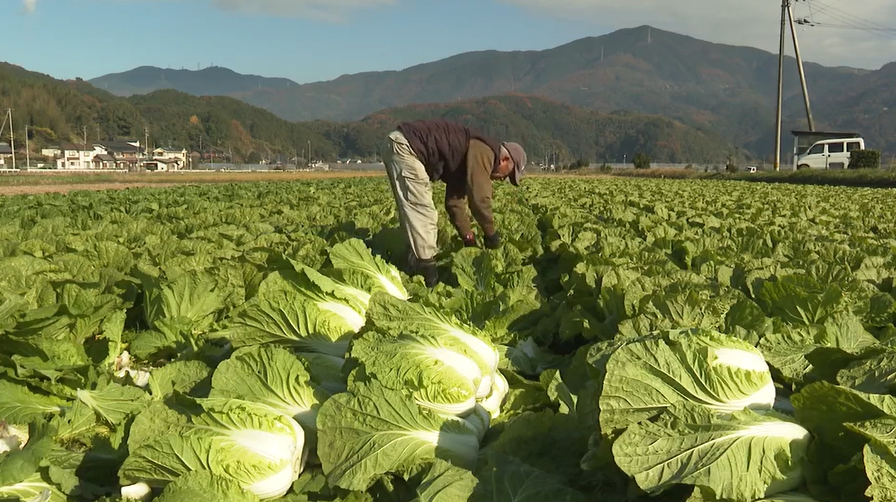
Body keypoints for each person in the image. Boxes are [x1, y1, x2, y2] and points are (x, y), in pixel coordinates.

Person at [381, 118, 527, 287]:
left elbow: (454, 202)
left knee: (412, 216)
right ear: (504, 160)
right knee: (423, 214)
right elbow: (480, 198)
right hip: (407, 147)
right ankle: (428, 283)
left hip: (398, 144)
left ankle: (412, 270)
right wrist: (491, 234)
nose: (503, 180)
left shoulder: (466, 158)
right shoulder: (485, 151)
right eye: (508, 175)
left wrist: (468, 237)